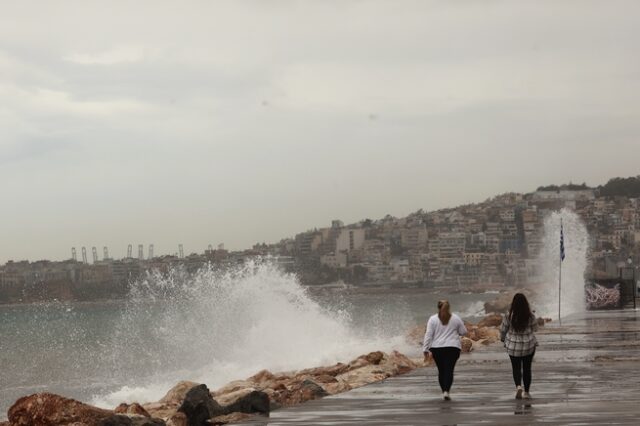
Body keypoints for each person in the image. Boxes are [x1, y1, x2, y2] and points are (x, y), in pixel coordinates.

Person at [422, 299, 468, 400]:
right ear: (449, 307)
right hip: (453, 348)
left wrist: (425, 349)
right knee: (449, 370)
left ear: (438, 307)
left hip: (437, 348)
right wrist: (455, 333)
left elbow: (428, 335)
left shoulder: (432, 319)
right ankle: (447, 391)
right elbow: (464, 332)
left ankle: (444, 391)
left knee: (441, 371)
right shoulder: (456, 318)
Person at [500, 293, 538, 400]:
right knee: (527, 368)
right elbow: (535, 328)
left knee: (516, 368)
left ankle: (518, 387)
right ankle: (526, 392)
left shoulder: (509, 315)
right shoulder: (530, 315)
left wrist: (503, 339)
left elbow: (503, 329)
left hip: (513, 346)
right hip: (528, 345)